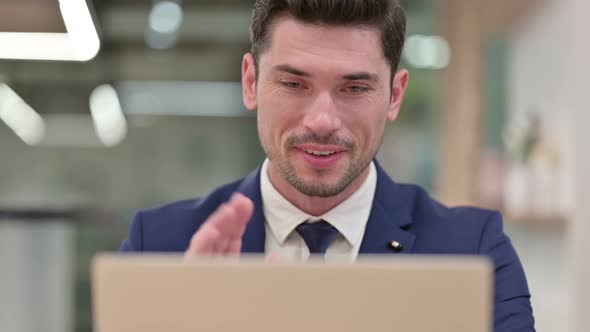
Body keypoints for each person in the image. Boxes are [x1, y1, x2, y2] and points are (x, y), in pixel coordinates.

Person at [120, 0, 535, 330]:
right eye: (294, 84)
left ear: (394, 95)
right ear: (251, 82)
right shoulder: (158, 245)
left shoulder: (472, 252)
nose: (322, 120)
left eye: (354, 87)